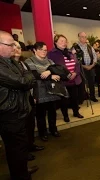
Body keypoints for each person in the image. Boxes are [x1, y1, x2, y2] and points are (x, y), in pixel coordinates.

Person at [0, 30, 37, 180]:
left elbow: (25, 75)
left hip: (18, 111)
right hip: (9, 114)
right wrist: (28, 74)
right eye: (10, 45)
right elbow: (23, 81)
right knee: (16, 149)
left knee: (20, 148)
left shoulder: (11, 60)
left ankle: (22, 171)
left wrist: (26, 74)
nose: (14, 48)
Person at [12, 41, 45, 162]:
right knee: (22, 128)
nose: (17, 49)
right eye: (14, 46)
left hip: (29, 97)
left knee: (30, 124)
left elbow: (32, 81)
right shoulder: (7, 66)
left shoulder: (23, 63)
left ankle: (31, 145)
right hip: (18, 101)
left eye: (19, 47)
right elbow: (22, 82)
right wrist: (28, 80)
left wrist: (34, 95)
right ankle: (24, 152)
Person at [25, 42, 62, 141]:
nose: (43, 52)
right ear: (35, 50)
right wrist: (51, 75)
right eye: (40, 49)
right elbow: (35, 75)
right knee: (40, 114)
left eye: (45, 50)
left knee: (52, 112)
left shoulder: (50, 61)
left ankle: (53, 129)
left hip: (52, 90)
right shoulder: (29, 61)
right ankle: (43, 133)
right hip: (39, 91)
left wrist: (49, 71)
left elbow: (58, 70)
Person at [48, 34, 84, 122]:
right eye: (61, 41)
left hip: (74, 79)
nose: (64, 43)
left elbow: (77, 64)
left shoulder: (70, 52)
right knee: (64, 100)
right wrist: (66, 75)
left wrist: (75, 73)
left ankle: (76, 112)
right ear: (55, 42)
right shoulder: (52, 54)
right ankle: (65, 115)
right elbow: (52, 67)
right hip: (62, 81)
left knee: (74, 98)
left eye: (65, 41)